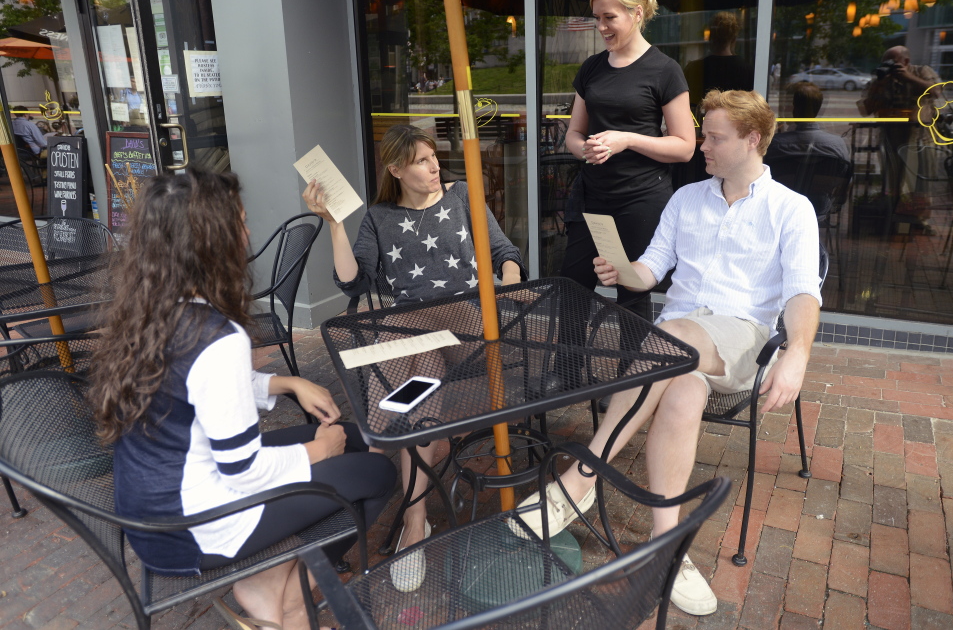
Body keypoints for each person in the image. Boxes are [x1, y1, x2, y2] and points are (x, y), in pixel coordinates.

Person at [514, 90, 822, 618]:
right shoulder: (686, 200)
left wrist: (797, 353)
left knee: (669, 332)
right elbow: (652, 269)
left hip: (742, 341)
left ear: (752, 140)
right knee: (680, 388)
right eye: (704, 133)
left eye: (714, 137)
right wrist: (623, 272)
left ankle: (583, 476)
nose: (702, 144)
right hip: (677, 351)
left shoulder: (791, 209)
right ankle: (669, 545)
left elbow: (801, 293)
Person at [89, 169, 396, 630]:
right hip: (197, 529)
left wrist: (285, 384)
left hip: (153, 516)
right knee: (375, 472)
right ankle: (288, 602)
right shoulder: (216, 335)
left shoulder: (149, 307)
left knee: (353, 437)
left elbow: (198, 390)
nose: (248, 232)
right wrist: (317, 452)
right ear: (212, 241)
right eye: (241, 222)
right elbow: (243, 469)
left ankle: (267, 579)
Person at [302, 123, 526, 591]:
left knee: (408, 373)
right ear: (396, 169)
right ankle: (415, 514)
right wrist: (334, 224)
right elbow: (352, 281)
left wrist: (504, 283)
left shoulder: (461, 195)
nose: (434, 166)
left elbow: (504, 250)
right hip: (409, 324)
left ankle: (412, 517)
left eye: (433, 157)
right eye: (423, 161)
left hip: (464, 317)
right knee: (409, 388)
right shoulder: (379, 217)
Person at [559, 0, 696, 384]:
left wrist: (625, 139)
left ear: (637, 13)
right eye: (597, 18)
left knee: (631, 291)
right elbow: (573, 133)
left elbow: (685, 146)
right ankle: (565, 375)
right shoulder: (592, 68)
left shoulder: (664, 70)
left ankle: (629, 384)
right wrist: (586, 148)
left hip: (640, 199)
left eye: (609, 18)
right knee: (573, 286)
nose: (601, 27)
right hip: (593, 198)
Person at [860, 46, 940, 209]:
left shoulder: (921, 71)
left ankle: (918, 219)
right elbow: (864, 110)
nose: (889, 66)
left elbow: (936, 91)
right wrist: (879, 85)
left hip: (919, 135)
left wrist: (908, 77)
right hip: (891, 136)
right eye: (885, 63)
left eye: (893, 63)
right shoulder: (881, 79)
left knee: (919, 180)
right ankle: (892, 212)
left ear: (906, 62)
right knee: (892, 179)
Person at [683, 12, 754, 110]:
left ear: (711, 38)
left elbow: (689, 107)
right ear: (734, 39)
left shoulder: (694, 69)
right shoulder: (748, 70)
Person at [768, 81, 850, 160]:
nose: (784, 109)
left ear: (795, 108)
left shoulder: (775, 144)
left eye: (787, 104)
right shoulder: (839, 144)